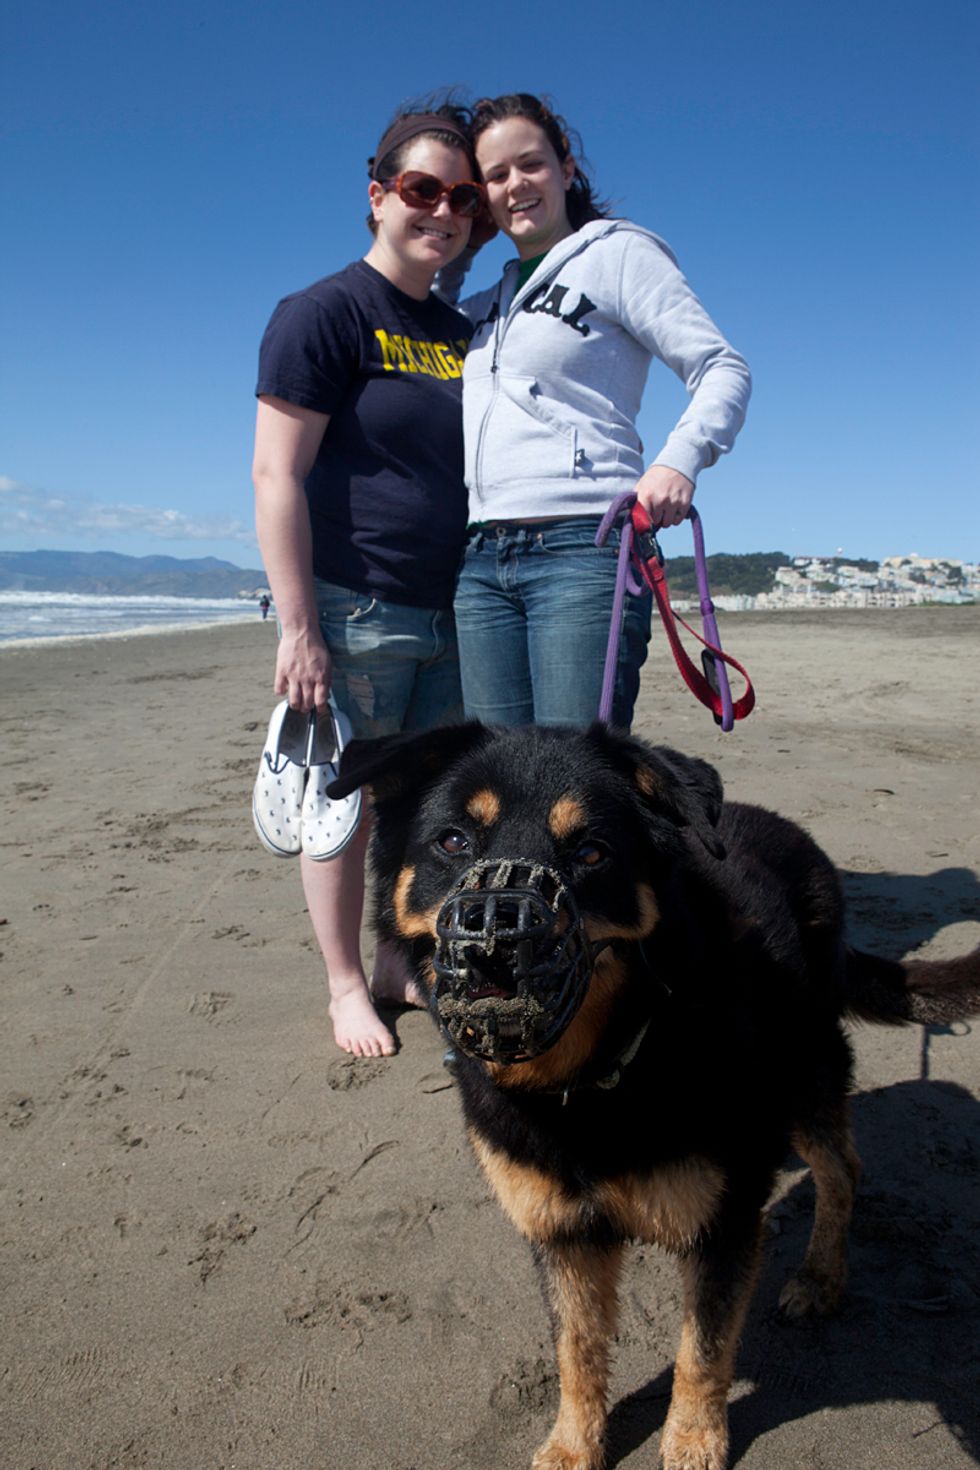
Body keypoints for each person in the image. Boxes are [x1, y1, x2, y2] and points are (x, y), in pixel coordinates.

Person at [252, 102, 483, 1057]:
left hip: (453, 609)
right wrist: (298, 627)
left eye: (462, 198)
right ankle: (345, 985)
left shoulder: (462, 331)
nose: (444, 211)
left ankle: (397, 961)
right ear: (379, 195)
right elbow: (276, 474)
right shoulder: (324, 313)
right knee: (340, 812)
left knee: (424, 808)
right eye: (424, 189)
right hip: (356, 606)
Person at [453, 93, 752, 730]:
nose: (516, 184)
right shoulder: (480, 305)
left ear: (566, 167)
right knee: (495, 774)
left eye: (531, 164)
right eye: (496, 176)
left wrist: (680, 460)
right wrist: (466, 242)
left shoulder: (618, 255)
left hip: (584, 549)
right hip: (480, 561)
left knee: (575, 771)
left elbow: (722, 367)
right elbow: (418, 307)